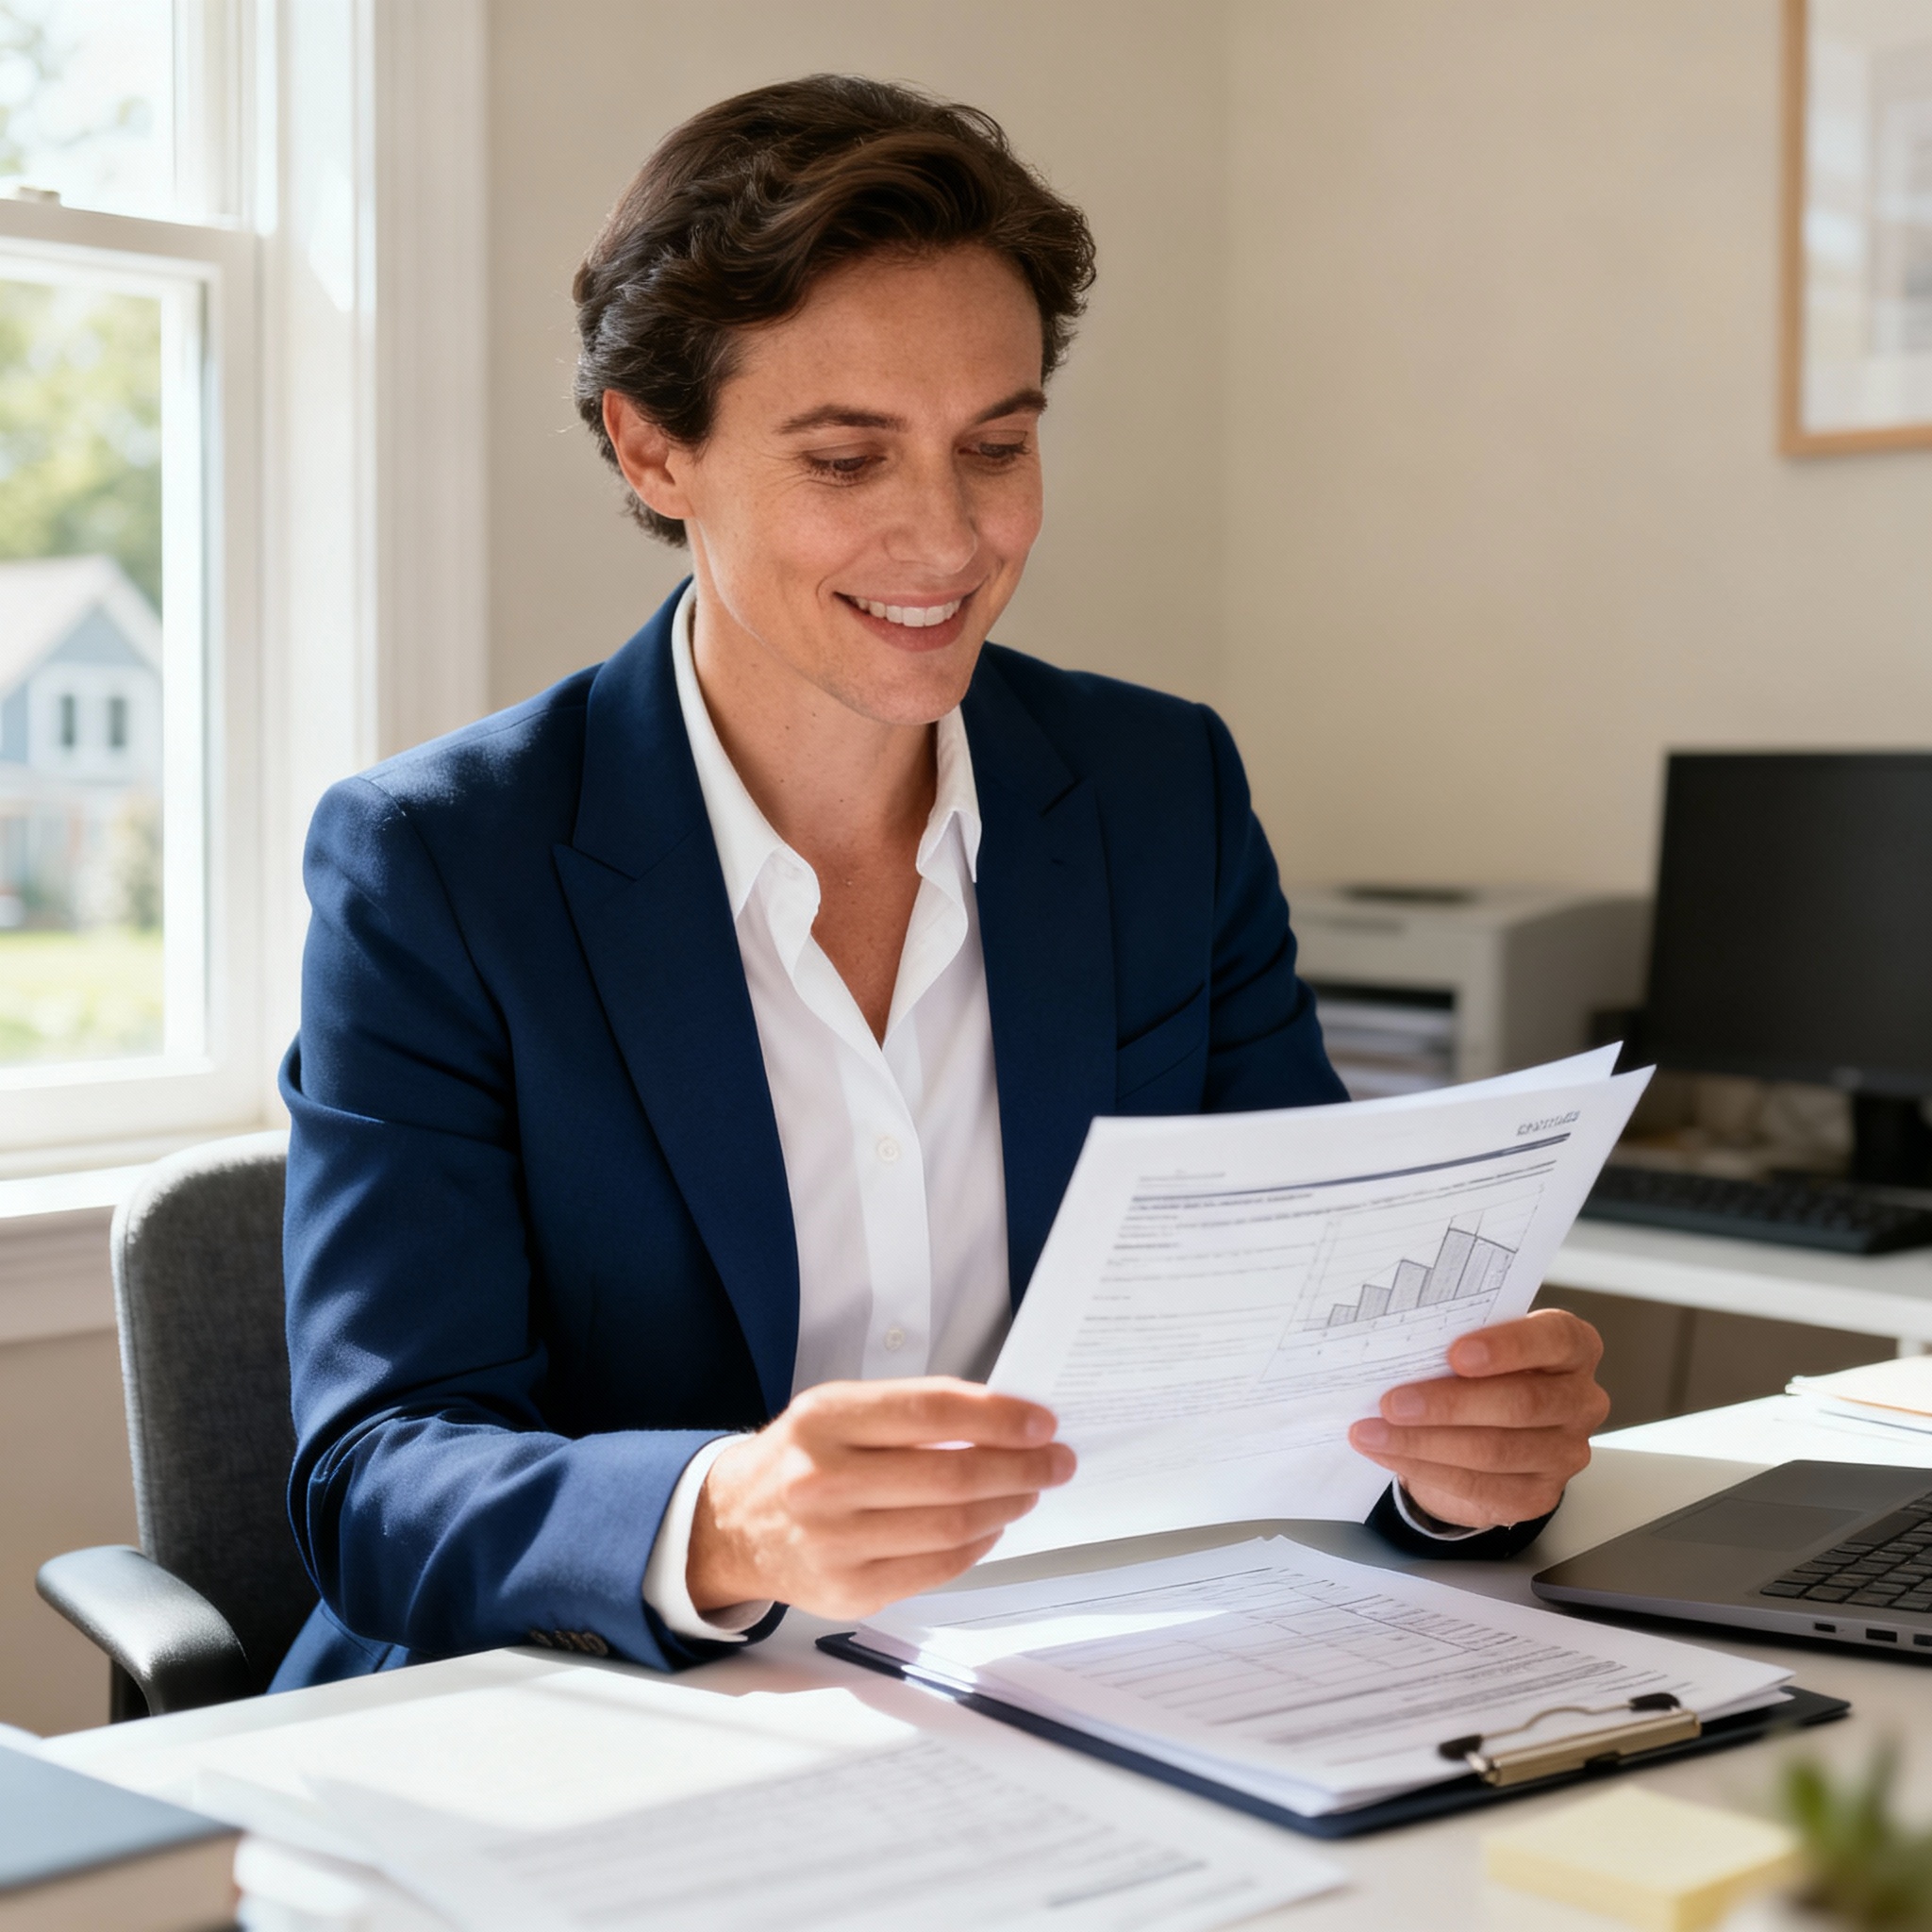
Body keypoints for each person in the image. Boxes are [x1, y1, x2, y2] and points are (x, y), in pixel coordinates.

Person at [273, 75, 1608, 1690]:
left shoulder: (1156, 794)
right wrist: (725, 1517)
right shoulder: (439, 863)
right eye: (848, 460)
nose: (948, 538)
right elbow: (379, 1481)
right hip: (595, 1717)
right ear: (654, 447)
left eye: (997, 445)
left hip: (1060, 1684)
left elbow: (1311, 1343)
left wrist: (1448, 1465)